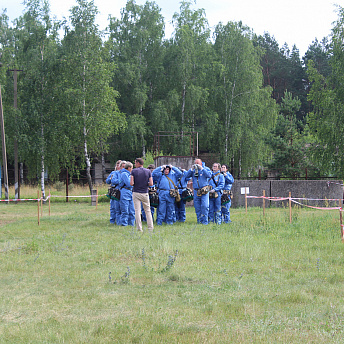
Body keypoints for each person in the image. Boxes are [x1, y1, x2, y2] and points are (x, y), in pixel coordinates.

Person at [184, 158, 212, 225]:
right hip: (196, 191)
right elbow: (186, 176)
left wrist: (202, 169)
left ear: (201, 163)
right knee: (197, 207)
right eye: (195, 163)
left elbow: (209, 175)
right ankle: (199, 221)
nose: (196, 165)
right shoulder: (193, 170)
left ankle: (205, 221)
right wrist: (191, 169)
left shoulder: (206, 169)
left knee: (205, 206)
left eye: (198, 163)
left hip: (204, 191)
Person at [130, 158, 154, 232]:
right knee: (148, 210)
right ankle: (150, 227)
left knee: (137, 211)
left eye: (135, 163)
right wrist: (145, 184)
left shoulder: (133, 171)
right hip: (145, 192)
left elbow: (131, 183)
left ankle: (139, 228)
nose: (134, 164)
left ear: (138, 163)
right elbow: (151, 183)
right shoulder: (148, 171)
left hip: (136, 192)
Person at [118, 162, 135, 226]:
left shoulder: (130, 174)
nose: (132, 169)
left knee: (132, 210)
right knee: (125, 210)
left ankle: (131, 224)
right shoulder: (124, 174)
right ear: (129, 168)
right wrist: (134, 183)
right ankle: (124, 224)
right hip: (125, 192)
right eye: (132, 168)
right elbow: (129, 184)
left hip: (130, 192)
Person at [105, 160, 122, 224]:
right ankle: (112, 220)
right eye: (117, 165)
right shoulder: (113, 172)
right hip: (113, 190)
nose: (118, 166)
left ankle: (119, 220)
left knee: (119, 207)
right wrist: (111, 179)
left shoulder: (122, 173)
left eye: (119, 165)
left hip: (120, 190)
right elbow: (107, 181)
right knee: (112, 207)